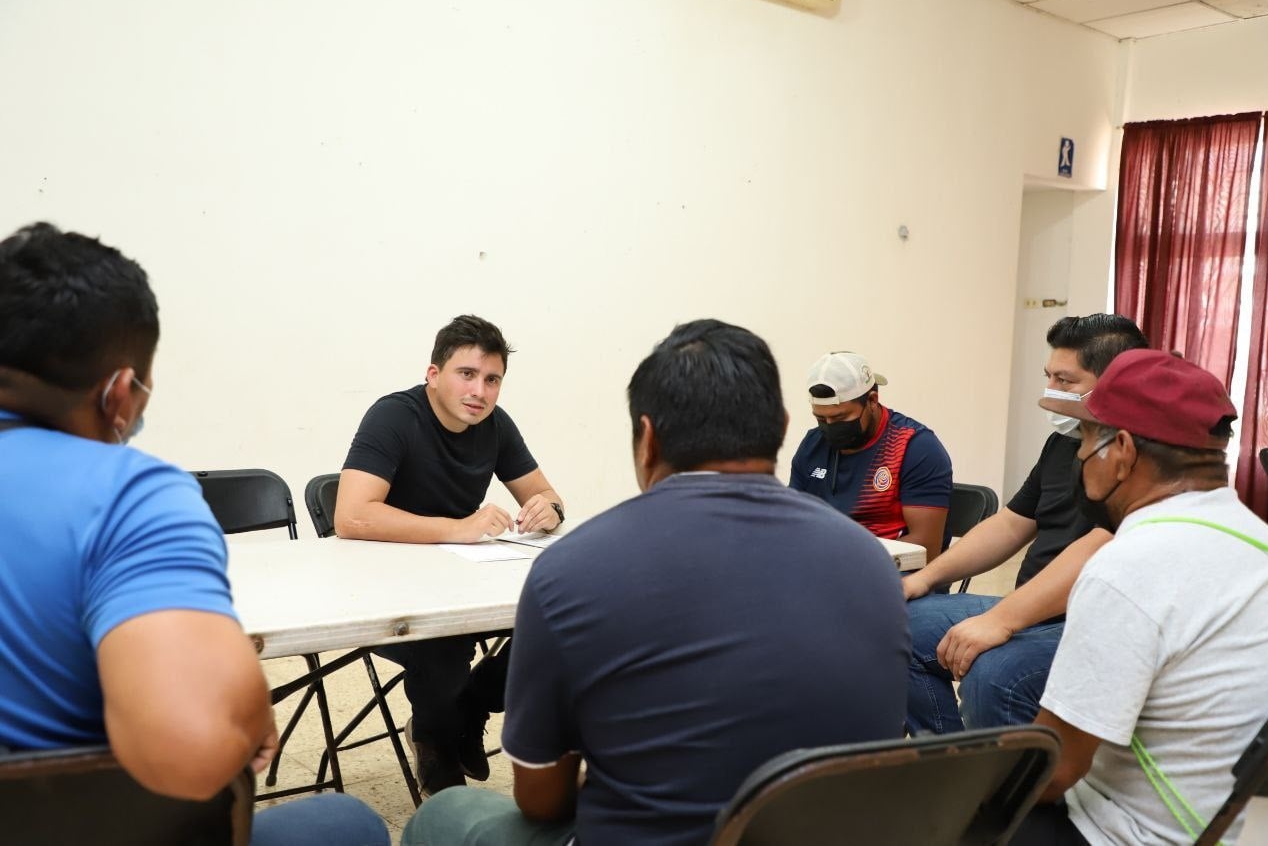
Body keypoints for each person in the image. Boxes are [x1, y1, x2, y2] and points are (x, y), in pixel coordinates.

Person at [402, 319, 910, 845]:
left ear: (647, 439)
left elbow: (540, 798)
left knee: (444, 816)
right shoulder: (871, 563)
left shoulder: (573, 572)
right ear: (783, 427)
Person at [0, 223, 387, 845]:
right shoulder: (128, 494)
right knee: (352, 823)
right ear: (120, 393)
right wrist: (248, 700)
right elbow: (194, 750)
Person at [1011, 349, 1268, 845]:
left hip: (1132, 833)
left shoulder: (1126, 569)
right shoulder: (1264, 545)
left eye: (1088, 438)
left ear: (1124, 450)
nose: (1078, 454)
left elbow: (1054, 771)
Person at [335, 314, 565, 795]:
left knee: (563, 620)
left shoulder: (496, 426)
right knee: (444, 646)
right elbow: (351, 516)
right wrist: (457, 529)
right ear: (434, 375)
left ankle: (473, 704)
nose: (479, 391)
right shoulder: (394, 416)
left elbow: (546, 494)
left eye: (492, 379)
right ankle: (436, 742)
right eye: (467, 374)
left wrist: (550, 510)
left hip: (461, 581)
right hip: (383, 589)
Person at [901, 314, 1146, 735]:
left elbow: (1098, 549)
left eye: (1066, 381)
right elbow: (1012, 524)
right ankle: (947, 760)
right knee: (890, 622)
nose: (1051, 390)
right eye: (1048, 376)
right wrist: (925, 578)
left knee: (996, 673)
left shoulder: (1135, 455)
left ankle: (1006, 792)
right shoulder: (1062, 442)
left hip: (1081, 618)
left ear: (1114, 382)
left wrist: (1004, 621)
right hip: (1027, 607)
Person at [789, 351, 952, 560]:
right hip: (825, 568)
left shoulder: (915, 447)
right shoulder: (813, 444)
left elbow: (925, 549)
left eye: (840, 417)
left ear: (872, 400)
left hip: (896, 577)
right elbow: (792, 521)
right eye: (821, 418)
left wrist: (842, 560)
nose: (829, 427)